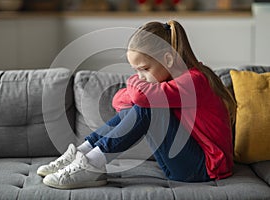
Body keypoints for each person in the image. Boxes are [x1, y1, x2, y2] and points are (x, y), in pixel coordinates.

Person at [37, 20, 236, 189]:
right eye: (135, 71)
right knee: (145, 105)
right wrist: (139, 88)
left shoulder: (194, 80)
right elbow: (118, 101)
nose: (140, 77)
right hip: (181, 164)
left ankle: (92, 164)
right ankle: (83, 153)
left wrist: (134, 84)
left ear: (167, 59)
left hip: (205, 168)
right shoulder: (165, 85)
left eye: (143, 69)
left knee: (149, 106)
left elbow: (140, 99)